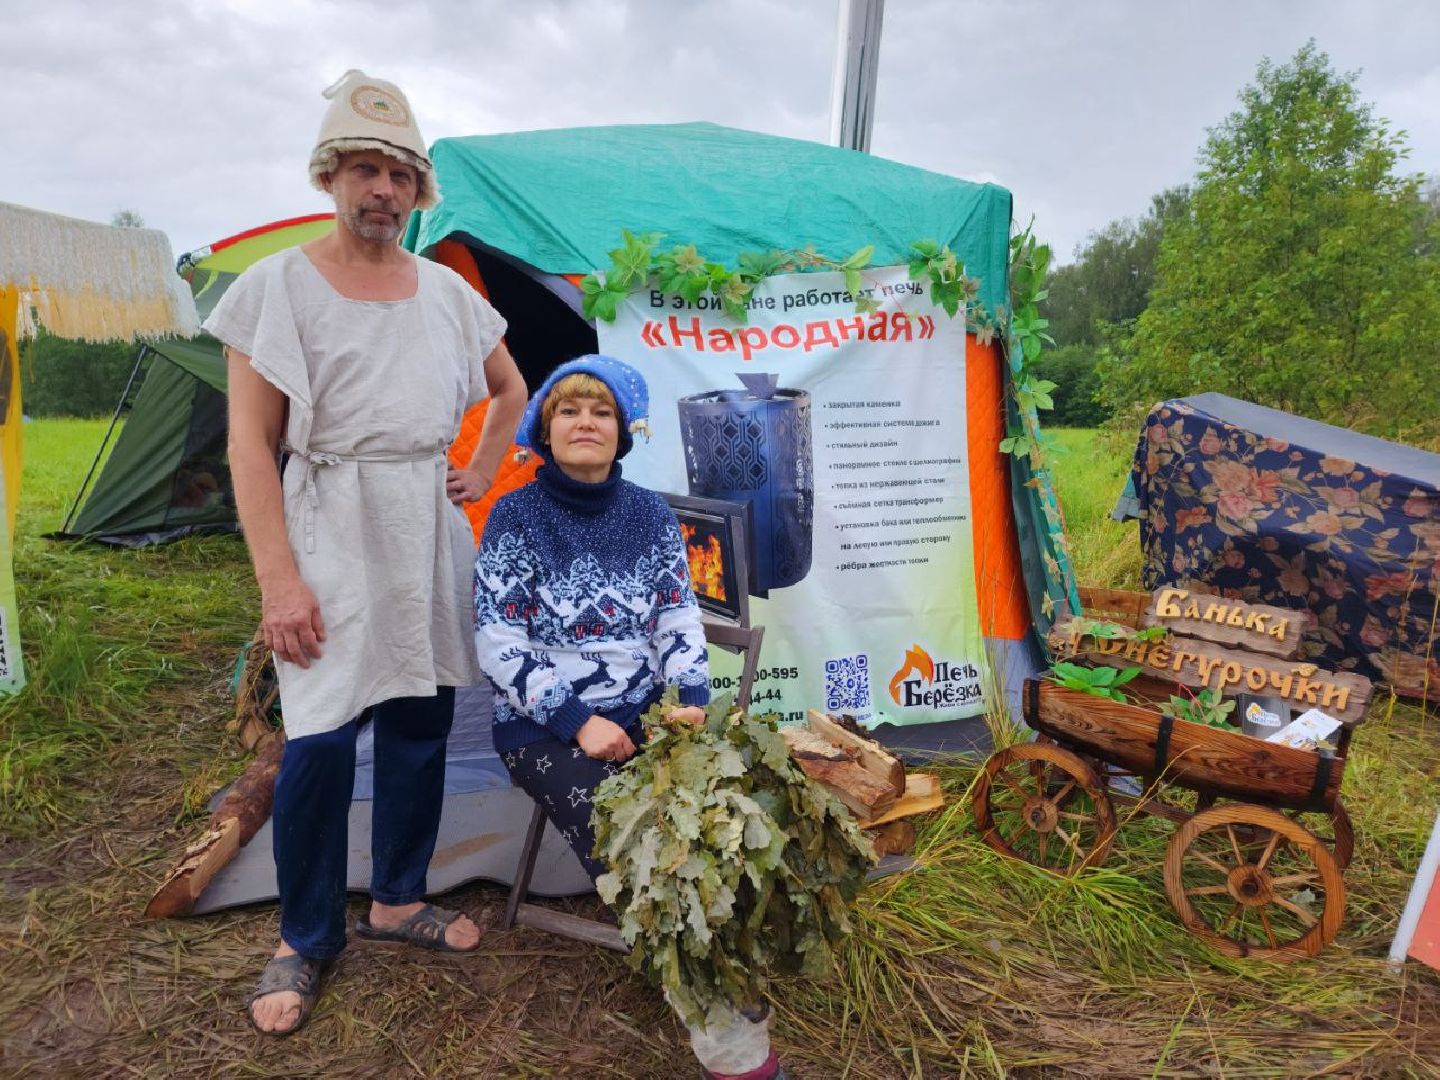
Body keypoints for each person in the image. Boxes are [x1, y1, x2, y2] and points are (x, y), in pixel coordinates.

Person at [206, 70, 527, 1036]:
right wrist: (280, 582)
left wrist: (478, 467)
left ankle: (395, 896)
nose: (382, 188)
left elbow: (510, 390)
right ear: (330, 175)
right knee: (319, 739)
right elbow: (247, 446)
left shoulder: (446, 293)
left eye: (398, 173)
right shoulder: (277, 288)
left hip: (425, 526)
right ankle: (304, 936)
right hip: (329, 524)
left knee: (422, 721)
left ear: (417, 189)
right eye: (363, 168)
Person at [474, 356, 785, 1080]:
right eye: (570, 411)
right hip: (542, 728)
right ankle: (722, 1032)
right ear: (545, 430)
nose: (586, 423)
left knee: (719, 810)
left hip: (645, 715)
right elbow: (498, 642)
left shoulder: (648, 514)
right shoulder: (514, 517)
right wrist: (578, 721)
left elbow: (677, 617)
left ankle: (719, 951)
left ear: (625, 431)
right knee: (631, 830)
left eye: (602, 412)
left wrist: (690, 700)